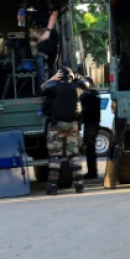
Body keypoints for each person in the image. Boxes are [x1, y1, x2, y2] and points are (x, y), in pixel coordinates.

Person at [40, 66, 88, 195]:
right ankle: (79, 185)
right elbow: (87, 84)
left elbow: (42, 88)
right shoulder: (77, 88)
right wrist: (76, 77)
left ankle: (52, 187)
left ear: (59, 77)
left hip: (56, 126)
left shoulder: (53, 88)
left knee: (55, 156)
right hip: (72, 125)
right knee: (73, 155)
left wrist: (52, 78)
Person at [20, 0, 61, 83]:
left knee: (45, 59)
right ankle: (44, 87)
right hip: (33, 33)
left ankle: (45, 88)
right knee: (39, 59)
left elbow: (54, 13)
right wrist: (20, 16)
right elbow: (22, 16)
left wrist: (48, 31)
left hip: (46, 31)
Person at [80, 78, 101, 180]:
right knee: (89, 149)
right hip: (92, 124)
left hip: (91, 124)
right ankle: (92, 171)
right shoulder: (94, 94)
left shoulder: (91, 95)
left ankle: (92, 172)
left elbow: (83, 99)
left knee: (90, 148)